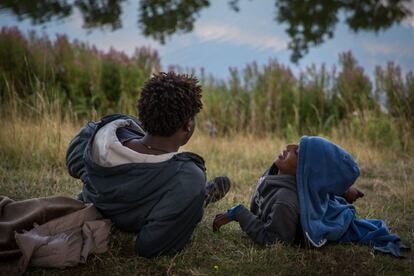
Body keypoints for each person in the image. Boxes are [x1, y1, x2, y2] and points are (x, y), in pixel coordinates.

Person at [66, 72, 230, 258]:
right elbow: (150, 246)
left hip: (96, 201)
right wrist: (188, 222)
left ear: (145, 113)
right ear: (188, 125)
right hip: (150, 209)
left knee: (187, 191)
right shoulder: (187, 176)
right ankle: (199, 200)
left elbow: (73, 163)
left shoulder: (100, 132)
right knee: (190, 194)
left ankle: (196, 199)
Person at [213, 136, 406, 257]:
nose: (288, 146)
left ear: (303, 171)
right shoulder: (280, 171)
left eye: (297, 152)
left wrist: (238, 213)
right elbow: (317, 176)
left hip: (307, 209)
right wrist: (345, 190)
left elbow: (275, 242)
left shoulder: (285, 202)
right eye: (294, 145)